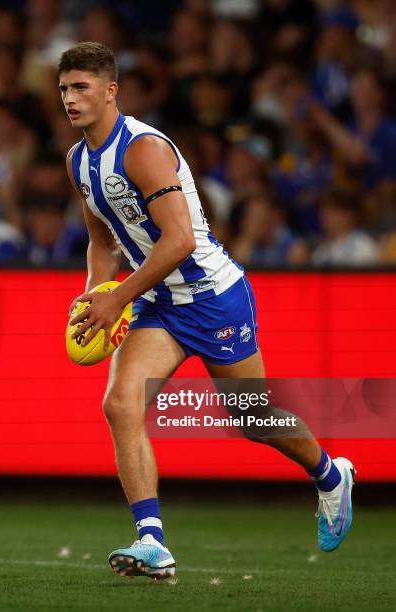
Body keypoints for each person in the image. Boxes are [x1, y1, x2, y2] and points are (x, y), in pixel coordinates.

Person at [61, 42, 355, 580]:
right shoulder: (78, 160)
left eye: (81, 87)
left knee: (253, 420)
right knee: (121, 405)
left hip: (211, 295)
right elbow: (102, 238)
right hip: (156, 300)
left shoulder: (143, 149)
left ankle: (330, 475)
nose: (70, 99)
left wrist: (117, 296)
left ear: (111, 91)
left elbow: (177, 242)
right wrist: (92, 295)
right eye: (64, 89)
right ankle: (152, 541)